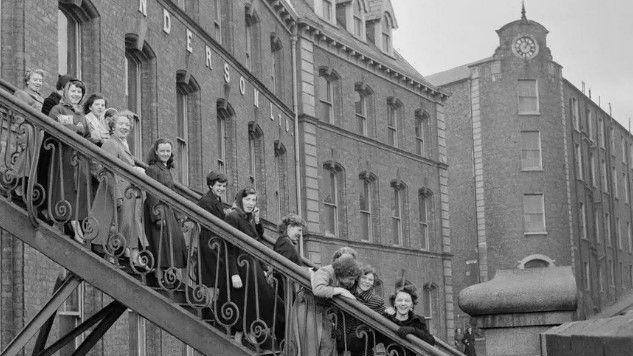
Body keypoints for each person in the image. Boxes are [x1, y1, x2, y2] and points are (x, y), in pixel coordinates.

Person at [90, 110, 148, 267]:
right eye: (121, 124)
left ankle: (129, 255)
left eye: (127, 124)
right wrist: (116, 196)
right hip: (114, 192)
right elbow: (105, 169)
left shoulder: (122, 145)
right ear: (113, 126)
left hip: (126, 192)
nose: (125, 127)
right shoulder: (110, 143)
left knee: (125, 225)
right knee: (112, 225)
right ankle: (111, 255)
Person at [225, 187, 276, 348]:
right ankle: (241, 335)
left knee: (262, 298)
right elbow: (229, 246)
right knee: (248, 300)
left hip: (252, 264)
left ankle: (250, 332)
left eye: (254, 200)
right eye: (248, 200)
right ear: (241, 199)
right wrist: (233, 273)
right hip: (241, 265)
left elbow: (257, 239)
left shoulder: (247, 218)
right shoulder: (233, 216)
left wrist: (257, 219)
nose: (251, 203)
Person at [46, 79, 91, 242]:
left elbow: (87, 136)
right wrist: (76, 129)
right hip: (63, 155)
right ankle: (68, 220)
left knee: (78, 190)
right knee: (65, 187)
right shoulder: (58, 108)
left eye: (79, 92)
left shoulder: (82, 115)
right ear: (66, 92)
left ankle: (76, 221)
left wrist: (75, 129)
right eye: (73, 91)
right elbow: (53, 126)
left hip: (79, 158)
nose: (76, 94)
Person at [144, 138, 187, 277]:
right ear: (156, 152)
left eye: (168, 151)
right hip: (158, 209)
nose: (165, 153)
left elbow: (172, 193)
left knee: (174, 241)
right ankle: (159, 276)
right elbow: (152, 193)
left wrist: (179, 214)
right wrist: (156, 216)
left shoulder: (166, 169)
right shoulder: (152, 169)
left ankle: (169, 276)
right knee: (160, 244)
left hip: (167, 209)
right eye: (162, 150)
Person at [197, 171, 231, 326]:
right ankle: (210, 318)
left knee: (217, 281)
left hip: (216, 245)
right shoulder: (206, 201)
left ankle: (215, 317)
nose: (221, 188)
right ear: (211, 185)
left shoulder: (216, 200)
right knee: (211, 282)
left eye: (223, 186)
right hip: (209, 246)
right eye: (219, 185)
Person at [338, 265, 387, 354]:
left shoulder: (377, 301)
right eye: (364, 278)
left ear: (373, 283)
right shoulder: (345, 291)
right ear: (358, 278)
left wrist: (390, 312)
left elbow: (384, 318)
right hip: (339, 336)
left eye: (370, 280)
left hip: (360, 342)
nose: (366, 282)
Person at [384, 283, 435, 355]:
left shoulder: (418, 320)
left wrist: (413, 330)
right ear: (394, 303)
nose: (403, 303)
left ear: (411, 304)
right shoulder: (388, 318)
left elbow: (431, 341)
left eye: (407, 301)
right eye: (400, 300)